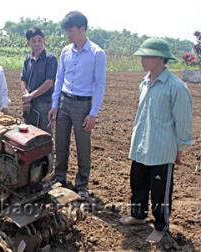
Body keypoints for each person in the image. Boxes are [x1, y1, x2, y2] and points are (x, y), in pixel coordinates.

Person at [119, 38, 193, 243]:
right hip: (141, 146)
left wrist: (180, 149)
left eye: (147, 55)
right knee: (138, 183)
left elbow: (184, 121)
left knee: (161, 192)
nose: (143, 59)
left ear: (160, 58)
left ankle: (161, 226)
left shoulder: (176, 87)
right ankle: (138, 215)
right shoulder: (144, 83)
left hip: (162, 149)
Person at [48, 11, 106, 200]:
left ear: (83, 29)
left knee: (83, 147)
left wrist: (94, 113)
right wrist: (55, 104)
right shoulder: (66, 51)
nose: (69, 35)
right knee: (61, 143)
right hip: (64, 101)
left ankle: (82, 184)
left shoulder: (97, 53)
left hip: (83, 105)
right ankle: (60, 178)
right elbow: (59, 78)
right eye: (67, 31)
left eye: (71, 31)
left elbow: (99, 84)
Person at [21, 27, 58, 133]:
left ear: (43, 40)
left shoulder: (50, 59)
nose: (37, 44)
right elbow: (23, 79)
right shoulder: (28, 59)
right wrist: (27, 97)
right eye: (33, 41)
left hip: (44, 103)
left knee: (44, 134)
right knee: (29, 133)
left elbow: (49, 82)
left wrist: (31, 96)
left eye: (39, 40)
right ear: (28, 43)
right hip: (30, 102)